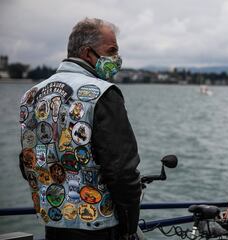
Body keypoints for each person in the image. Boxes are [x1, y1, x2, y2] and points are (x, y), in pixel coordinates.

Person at [19, 18, 142, 240]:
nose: (117, 59)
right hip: (100, 225)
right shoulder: (104, 94)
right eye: (112, 51)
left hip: (53, 222)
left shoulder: (31, 95)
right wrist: (130, 225)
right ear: (87, 53)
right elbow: (122, 169)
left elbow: (27, 161)